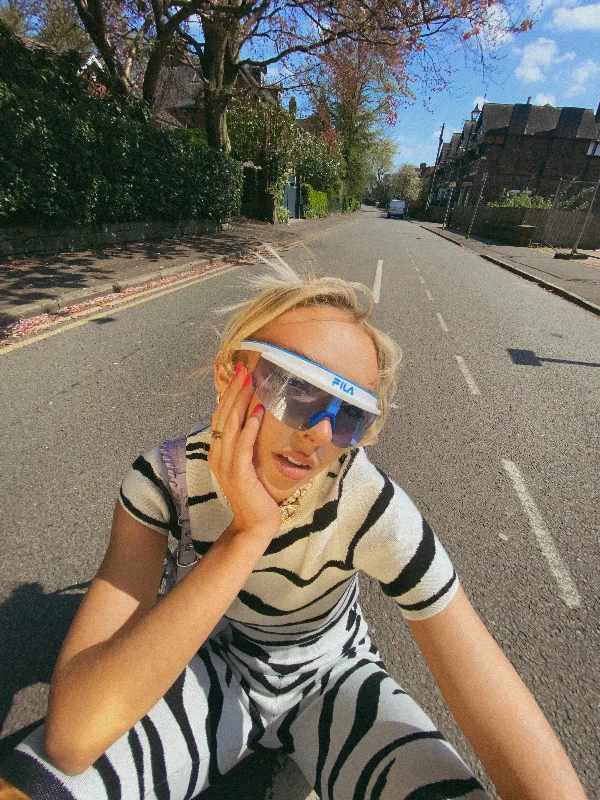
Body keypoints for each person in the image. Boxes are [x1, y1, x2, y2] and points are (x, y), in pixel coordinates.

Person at [1, 262, 587, 800]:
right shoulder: (164, 483)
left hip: (335, 675)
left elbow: (495, 707)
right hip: (214, 663)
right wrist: (248, 534)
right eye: (295, 387)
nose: (319, 433)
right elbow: (74, 735)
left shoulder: (368, 505)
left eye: (350, 415)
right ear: (231, 373)